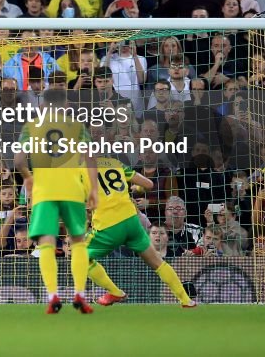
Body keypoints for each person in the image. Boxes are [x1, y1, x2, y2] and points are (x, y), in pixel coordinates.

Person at [14, 83, 98, 314]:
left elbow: (19, 161)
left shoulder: (31, 126)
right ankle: (79, 293)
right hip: (72, 190)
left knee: (47, 243)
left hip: (44, 191)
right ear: (66, 105)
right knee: (78, 240)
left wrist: (29, 178)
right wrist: (93, 190)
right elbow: (91, 158)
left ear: (43, 105)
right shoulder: (77, 126)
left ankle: (52, 296)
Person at [83, 156, 196, 307]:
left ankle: (115, 292)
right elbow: (148, 184)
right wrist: (138, 188)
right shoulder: (114, 163)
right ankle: (186, 300)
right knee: (157, 262)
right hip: (131, 221)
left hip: (108, 226)